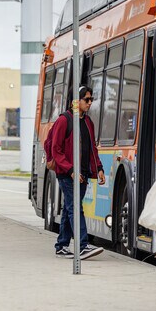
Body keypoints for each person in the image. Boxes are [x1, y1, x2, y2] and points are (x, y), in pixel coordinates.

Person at [51, 85, 105, 260]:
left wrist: (100, 168)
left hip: (83, 173)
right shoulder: (64, 121)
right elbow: (55, 150)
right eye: (86, 99)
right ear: (76, 100)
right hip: (67, 174)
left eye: (91, 99)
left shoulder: (88, 122)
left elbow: (92, 149)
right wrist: (70, 169)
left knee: (69, 209)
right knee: (75, 207)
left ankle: (61, 245)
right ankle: (82, 245)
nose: (89, 103)